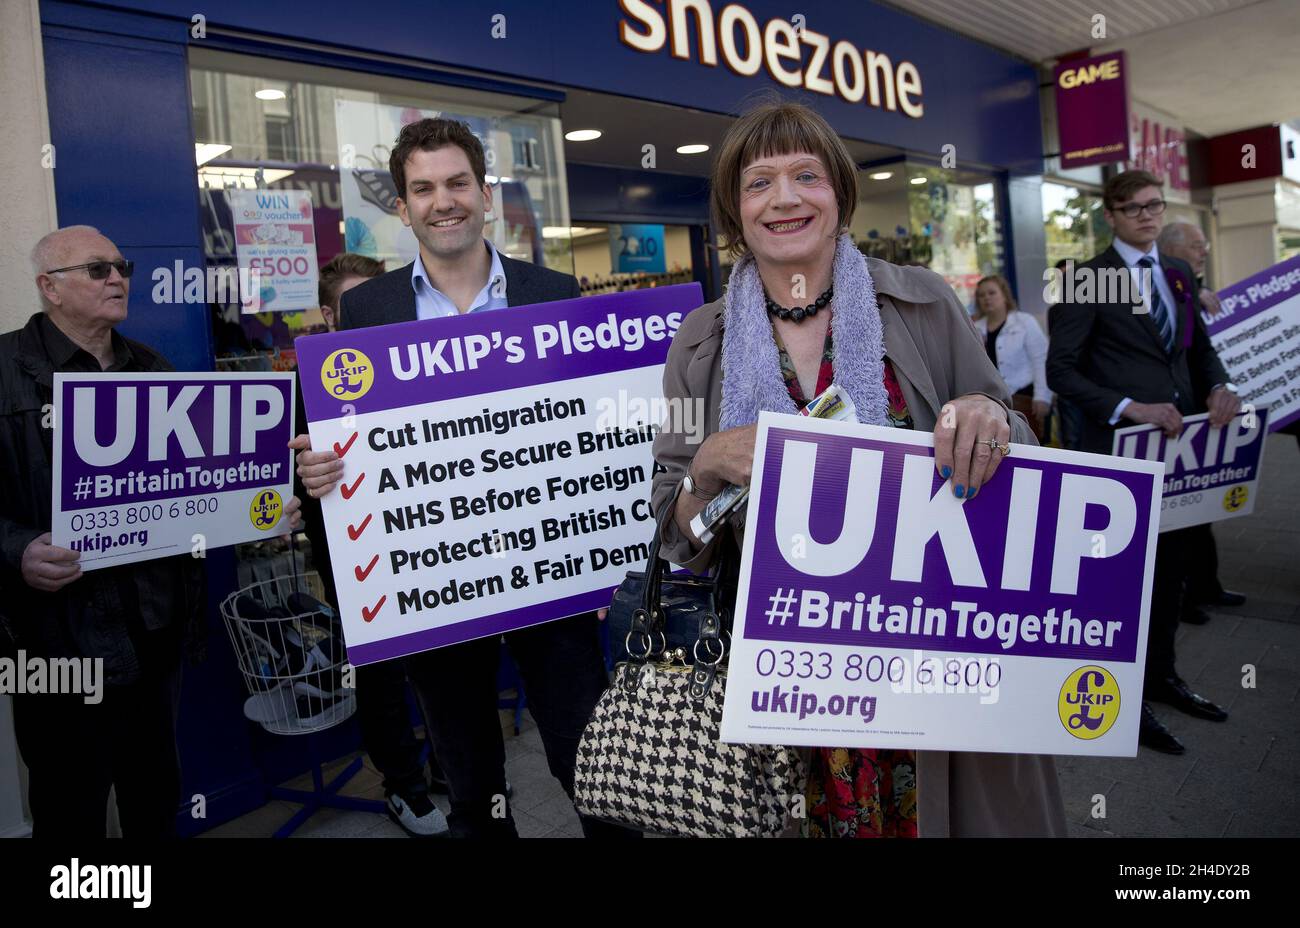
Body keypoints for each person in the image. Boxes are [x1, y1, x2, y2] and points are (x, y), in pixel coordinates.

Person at [651, 101, 1066, 837]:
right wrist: (709, 464)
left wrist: (990, 419)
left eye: (806, 175)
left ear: (838, 194)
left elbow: (1022, 450)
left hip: (934, 653)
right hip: (779, 680)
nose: (785, 198)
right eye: (759, 182)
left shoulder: (923, 302)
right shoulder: (697, 342)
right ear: (734, 209)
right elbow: (674, 523)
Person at [291, 118, 631, 839]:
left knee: (597, 777)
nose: (441, 201)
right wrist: (318, 468)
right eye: (422, 189)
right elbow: (336, 437)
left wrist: (608, 548)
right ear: (404, 206)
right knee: (473, 788)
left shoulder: (554, 291)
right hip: (434, 586)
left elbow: (594, 434)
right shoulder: (365, 309)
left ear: (484, 193)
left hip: (550, 574)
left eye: (455, 183)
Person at [0, 226, 209, 836]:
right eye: (97, 270)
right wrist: (16, 551)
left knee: (154, 794)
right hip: (54, 643)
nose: (117, 278)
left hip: (153, 630)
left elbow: (197, 487)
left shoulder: (152, 367)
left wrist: (263, 506)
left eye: (120, 267)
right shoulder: (3, 372)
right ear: (51, 289)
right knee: (69, 807)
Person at [1047, 170, 1239, 755]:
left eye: (1155, 206)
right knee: (1121, 583)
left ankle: (1163, 677)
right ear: (1111, 214)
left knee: (1172, 572)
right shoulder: (1087, 278)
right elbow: (1063, 371)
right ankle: (1118, 702)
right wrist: (1131, 407)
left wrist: (1220, 388)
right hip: (1119, 453)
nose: (1148, 217)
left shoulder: (1178, 275)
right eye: (1134, 210)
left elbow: (1197, 353)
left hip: (1182, 451)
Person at [292, 252, 449, 838]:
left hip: (425, 544)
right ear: (331, 317)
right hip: (355, 555)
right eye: (355, 307)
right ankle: (403, 787)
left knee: (441, 660)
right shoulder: (309, 380)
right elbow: (297, 479)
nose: (371, 318)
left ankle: (446, 767)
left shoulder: (409, 365)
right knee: (381, 674)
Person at [1157, 222, 1247, 613]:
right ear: (1172, 249)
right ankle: (1181, 595)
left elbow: (1204, 352)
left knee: (1200, 508)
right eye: (1196, 245)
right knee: (1173, 516)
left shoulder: (1188, 286)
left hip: (1200, 414)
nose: (1204, 251)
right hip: (1165, 420)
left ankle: (1204, 587)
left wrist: (1219, 387)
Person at [973, 274, 1052, 441]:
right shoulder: (975, 328)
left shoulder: (1024, 322)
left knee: (1027, 447)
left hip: (1024, 397)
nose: (986, 298)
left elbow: (1040, 359)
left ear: (1004, 295)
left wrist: (1042, 396)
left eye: (991, 293)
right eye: (981, 295)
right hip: (991, 402)